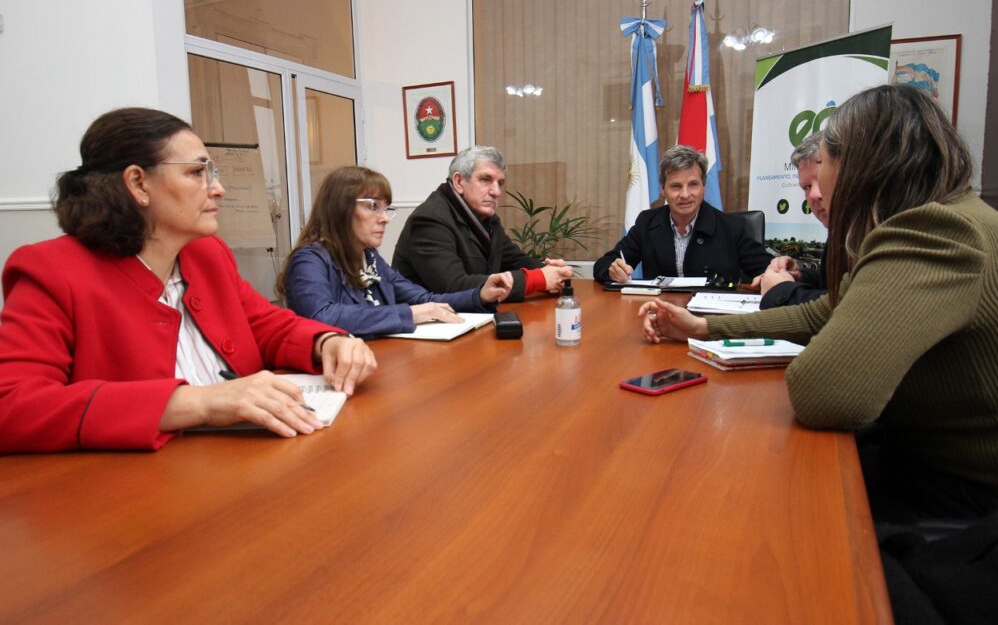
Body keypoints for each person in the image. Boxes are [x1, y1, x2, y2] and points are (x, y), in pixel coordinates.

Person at [639, 85, 998, 521]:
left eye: (825, 163)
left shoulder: (932, 230)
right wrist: (704, 328)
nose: (819, 184)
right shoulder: (947, 214)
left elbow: (824, 392)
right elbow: (827, 311)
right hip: (940, 464)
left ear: (860, 164)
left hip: (984, 501)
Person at [0, 108, 377, 453]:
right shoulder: (51, 270)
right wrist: (200, 402)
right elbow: (12, 406)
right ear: (138, 183)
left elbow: (263, 324)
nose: (218, 188)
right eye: (197, 172)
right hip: (136, 494)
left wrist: (326, 342)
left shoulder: (205, 253)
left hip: (244, 460)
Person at [279, 167, 513, 337]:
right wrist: (408, 314)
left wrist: (480, 295)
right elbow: (323, 316)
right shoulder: (309, 260)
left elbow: (424, 299)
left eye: (385, 208)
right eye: (372, 207)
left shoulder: (369, 257)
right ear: (340, 209)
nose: (383, 219)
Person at [392, 145, 573, 302]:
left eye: (500, 183)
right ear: (458, 182)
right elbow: (453, 286)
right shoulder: (429, 220)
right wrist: (537, 279)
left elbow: (515, 261)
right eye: (486, 180)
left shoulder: (487, 220)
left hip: (467, 319)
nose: (496, 192)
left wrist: (552, 271)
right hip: (425, 329)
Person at [593, 145, 771, 286]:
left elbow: (768, 270)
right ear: (663, 189)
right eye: (676, 186)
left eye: (693, 185)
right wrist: (612, 269)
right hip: (660, 315)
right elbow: (604, 263)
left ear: (703, 186)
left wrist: (768, 276)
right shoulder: (647, 222)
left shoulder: (732, 227)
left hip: (711, 320)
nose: (685, 194)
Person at [754, 131, 829, 309]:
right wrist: (800, 275)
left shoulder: (871, 228)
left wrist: (782, 289)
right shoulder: (838, 230)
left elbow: (844, 307)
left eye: (822, 180)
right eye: (806, 187)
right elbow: (837, 282)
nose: (814, 195)